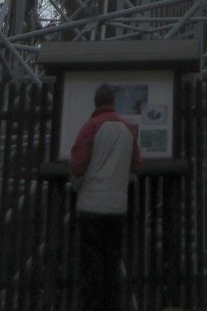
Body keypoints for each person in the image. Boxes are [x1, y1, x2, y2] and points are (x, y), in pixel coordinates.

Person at [69, 82, 142, 311]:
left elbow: (78, 165)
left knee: (91, 269)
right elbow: (137, 164)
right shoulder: (128, 128)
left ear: (96, 102)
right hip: (117, 208)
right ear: (114, 102)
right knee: (111, 267)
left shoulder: (91, 127)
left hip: (91, 207)